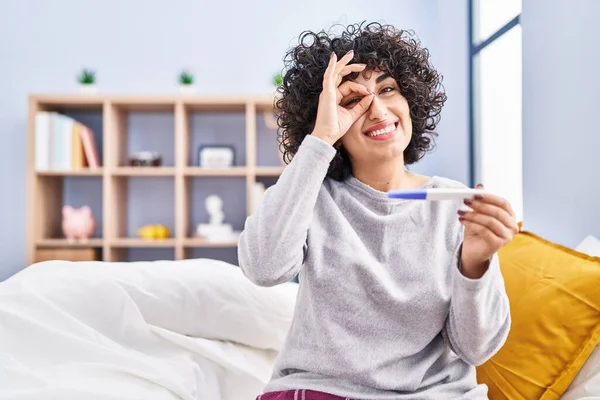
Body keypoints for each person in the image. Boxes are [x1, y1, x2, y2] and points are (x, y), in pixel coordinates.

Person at [238, 21, 518, 400]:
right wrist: (321, 138)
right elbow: (264, 268)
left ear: (411, 101)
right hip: (321, 390)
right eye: (353, 100)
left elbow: (475, 348)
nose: (378, 110)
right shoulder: (312, 196)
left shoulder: (457, 204)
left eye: (388, 89)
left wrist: (475, 264)